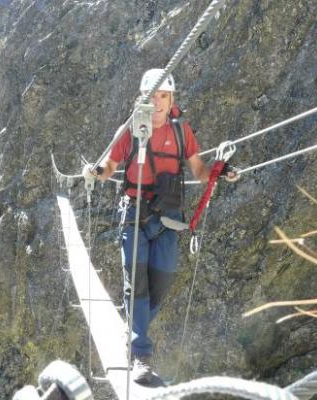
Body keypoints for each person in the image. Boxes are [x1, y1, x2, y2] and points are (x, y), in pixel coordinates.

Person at [83, 68, 238, 384]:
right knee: (136, 284)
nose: (157, 102)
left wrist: (220, 171)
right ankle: (140, 354)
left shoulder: (182, 132)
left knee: (160, 287)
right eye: (151, 96)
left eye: (163, 95)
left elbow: (198, 170)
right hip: (135, 215)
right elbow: (110, 166)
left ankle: (134, 325)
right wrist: (95, 171)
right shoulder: (129, 130)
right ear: (142, 99)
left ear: (171, 99)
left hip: (169, 219)